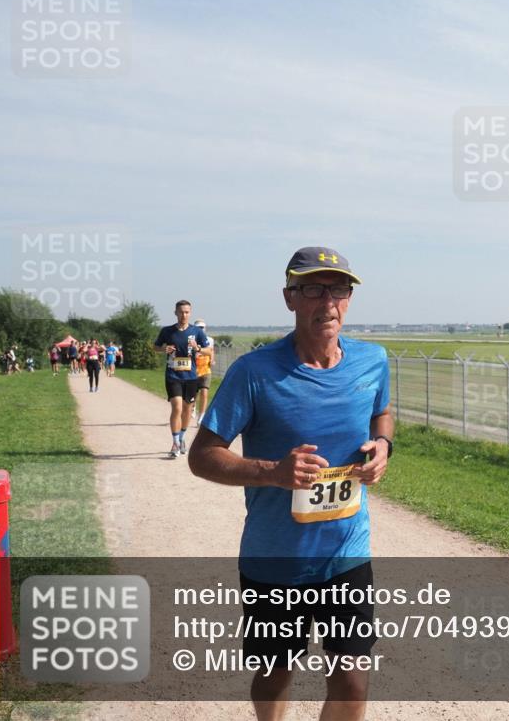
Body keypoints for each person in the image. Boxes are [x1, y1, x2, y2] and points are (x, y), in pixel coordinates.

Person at [188, 247, 392, 721]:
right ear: (290, 298)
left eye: (339, 289)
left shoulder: (371, 361)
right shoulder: (254, 373)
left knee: (352, 678)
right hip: (274, 558)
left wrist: (383, 445)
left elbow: (382, 411)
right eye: (312, 289)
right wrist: (272, 473)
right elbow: (202, 457)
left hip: (347, 551)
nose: (328, 302)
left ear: (350, 298)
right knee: (276, 672)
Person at [154, 301, 212, 458]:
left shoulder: (196, 332)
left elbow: (208, 350)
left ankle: (182, 437)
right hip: (173, 375)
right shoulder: (167, 331)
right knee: (177, 407)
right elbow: (155, 347)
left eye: (186, 312)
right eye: (181, 312)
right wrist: (163, 349)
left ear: (190, 313)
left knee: (187, 410)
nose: (183, 315)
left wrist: (198, 348)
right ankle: (175, 443)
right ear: (175, 313)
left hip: (191, 377)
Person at [192, 320, 212, 426]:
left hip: (206, 370)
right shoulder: (191, 340)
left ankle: (201, 416)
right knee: (193, 394)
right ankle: (193, 407)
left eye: (202, 327)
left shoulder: (210, 340)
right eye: (198, 327)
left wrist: (212, 360)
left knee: (204, 393)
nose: (201, 329)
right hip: (194, 371)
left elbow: (211, 351)